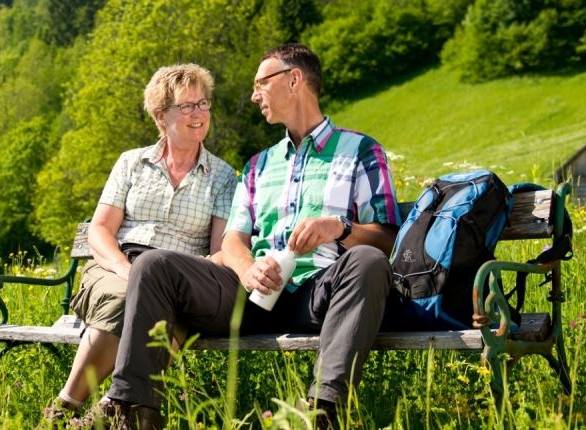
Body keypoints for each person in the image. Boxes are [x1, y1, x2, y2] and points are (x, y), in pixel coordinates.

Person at [86, 42, 401, 430]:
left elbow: (387, 238)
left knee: (368, 261)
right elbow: (233, 241)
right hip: (253, 296)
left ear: (293, 80)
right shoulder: (258, 165)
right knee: (154, 264)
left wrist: (339, 228)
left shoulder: (361, 151)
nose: (253, 96)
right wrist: (249, 269)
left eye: (260, 84)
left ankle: (323, 411)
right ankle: (132, 410)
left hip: (321, 294)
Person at [45, 64, 238, 420]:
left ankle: (105, 413)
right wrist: (123, 267)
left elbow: (220, 250)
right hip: (117, 263)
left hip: (176, 276)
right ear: (161, 116)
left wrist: (195, 273)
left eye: (203, 104)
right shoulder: (131, 163)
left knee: (155, 301)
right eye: (187, 106)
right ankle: (69, 408)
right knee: (124, 298)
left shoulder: (224, 177)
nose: (198, 114)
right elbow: (100, 229)